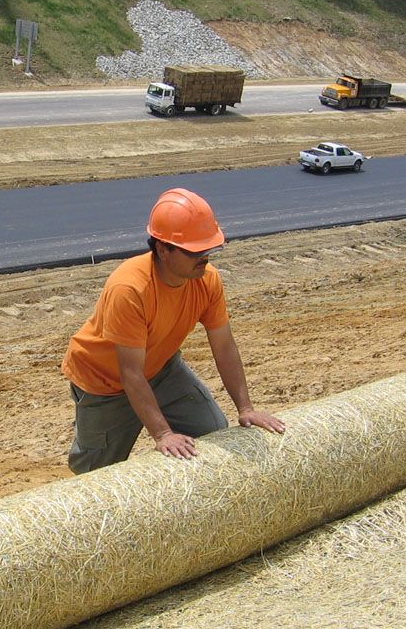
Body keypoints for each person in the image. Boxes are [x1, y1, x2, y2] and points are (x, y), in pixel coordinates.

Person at [61, 187, 285, 474]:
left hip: (161, 369)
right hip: (103, 382)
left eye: (208, 248)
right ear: (163, 250)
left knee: (213, 431)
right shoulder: (129, 289)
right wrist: (163, 434)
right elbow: (129, 373)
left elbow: (224, 345)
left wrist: (246, 408)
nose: (204, 257)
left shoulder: (206, 280)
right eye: (194, 250)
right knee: (95, 473)